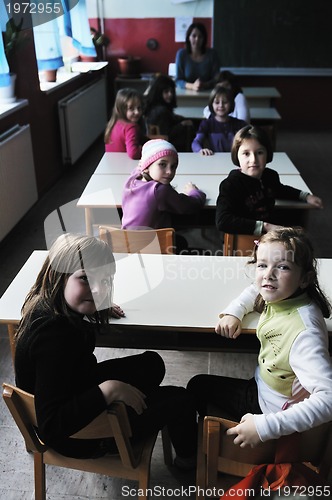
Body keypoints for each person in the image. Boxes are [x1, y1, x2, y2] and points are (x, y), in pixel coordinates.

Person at [14, 233, 198, 467]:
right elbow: (52, 427)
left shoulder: (44, 304)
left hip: (74, 389)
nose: (99, 290)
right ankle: (187, 462)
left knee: (152, 363)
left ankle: (134, 407)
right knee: (182, 399)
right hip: (79, 437)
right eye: (86, 279)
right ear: (59, 276)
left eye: (106, 280)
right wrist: (108, 391)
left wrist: (92, 304)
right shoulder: (53, 340)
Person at [187, 227, 332, 448]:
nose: (268, 275)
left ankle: (190, 456)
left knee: (197, 385)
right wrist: (234, 311)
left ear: (305, 278)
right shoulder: (287, 293)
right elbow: (256, 289)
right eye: (262, 265)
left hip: (270, 409)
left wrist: (266, 427)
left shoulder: (304, 334)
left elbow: (329, 398)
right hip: (269, 390)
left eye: (282, 267)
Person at [216, 125, 323, 235]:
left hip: (270, 235)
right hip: (244, 238)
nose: (253, 160)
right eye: (246, 153)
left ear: (267, 154)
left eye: (260, 153)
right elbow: (223, 221)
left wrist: (306, 196)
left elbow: (280, 190)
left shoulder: (270, 176)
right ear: (236, 156)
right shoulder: (230, 185)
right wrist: (265, 226)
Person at [121, 139, 206, 233]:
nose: (169, 171)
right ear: (146, 168)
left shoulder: (132, 179)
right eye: (162, 164)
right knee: (182, 240)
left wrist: (143, 165)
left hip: (127, 243)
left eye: (173, 166)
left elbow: (138, 169)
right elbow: (191, 205)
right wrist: (194, 192)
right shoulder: (160, 190)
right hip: (153, 245)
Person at [144, 74, 194, 151]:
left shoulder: (153, 106)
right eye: (166, 91)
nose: (170, 94)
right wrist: (182, 124)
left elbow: (170, 119)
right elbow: (166, 135)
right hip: (167, 146)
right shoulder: (161, 112)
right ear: (159, 92)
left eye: (171, 91)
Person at [192, 86, 247, 155]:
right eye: (217, 102)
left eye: (225, 102)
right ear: (211, 104)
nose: (221, 105)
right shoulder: (206, 124)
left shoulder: (240, 124)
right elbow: (196, 142)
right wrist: (200, 150)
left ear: (231, 104)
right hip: (214, 160)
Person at [104, 88, 148, 159]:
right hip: (126, 167)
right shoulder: (131, 127)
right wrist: (147, 149)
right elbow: (133, 153)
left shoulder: (113, 123)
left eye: (139, 108)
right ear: (121, 109)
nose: (137, 112)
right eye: (131, 108)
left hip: (112, 164)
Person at [175, 22, 220, 91]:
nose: (197, 39)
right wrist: (192, 86)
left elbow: (217, 79)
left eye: (200, 36)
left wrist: (204, 85)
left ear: (204, 39)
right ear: (188, 38)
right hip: (186, 94)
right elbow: (178, 80)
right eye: (194, 36)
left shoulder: (212, 54)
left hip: (208, 94)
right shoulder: (181, 54)